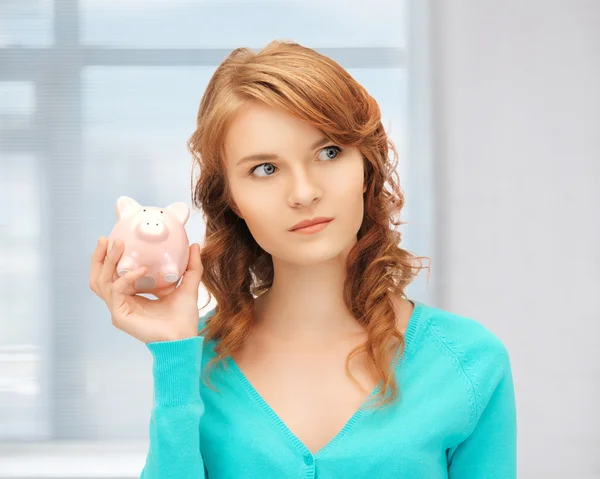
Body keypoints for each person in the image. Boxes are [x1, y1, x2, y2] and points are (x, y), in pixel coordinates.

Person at [89, 40, 517, 478]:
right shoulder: (194, 359)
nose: (304, 192)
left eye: (329, 152)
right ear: (232, 199)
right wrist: (173, 353)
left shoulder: (469, 362)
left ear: (366, 169)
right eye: (265, 169)